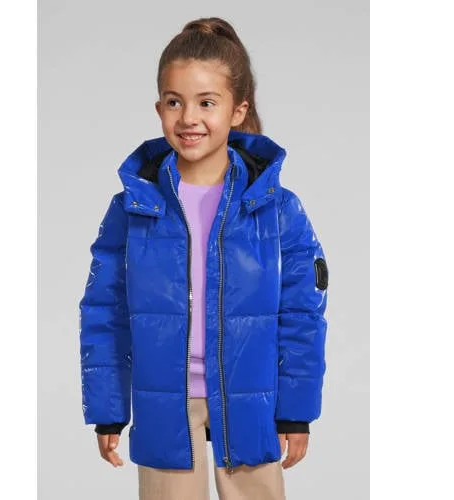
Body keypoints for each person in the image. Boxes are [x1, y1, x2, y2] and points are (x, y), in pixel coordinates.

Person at [79, 16, 329, 500]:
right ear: (159, 108)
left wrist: (297, 412)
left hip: (250, 399)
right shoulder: (133, 208)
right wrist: (108, 410)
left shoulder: (276, 209)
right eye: (175, 102)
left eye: (207, 102)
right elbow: (104, 311)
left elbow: (303, 313)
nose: (188, 117)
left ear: (238, 110)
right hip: (164, 403)